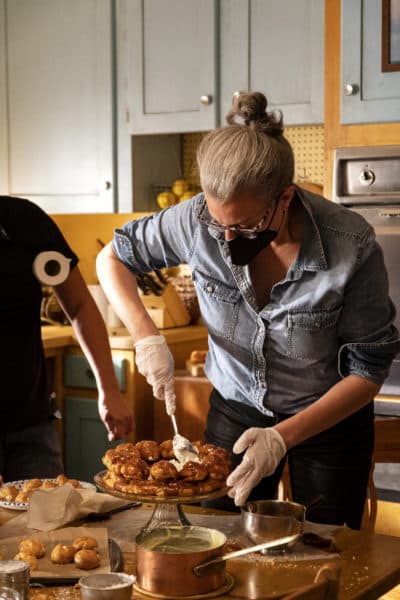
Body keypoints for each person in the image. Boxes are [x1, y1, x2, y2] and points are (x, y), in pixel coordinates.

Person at [96, 91, 400, 529]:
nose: (229, 239)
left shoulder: (348, 244)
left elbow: (368, 371)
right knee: (214, 538)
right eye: (219, 226)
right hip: (236, 409)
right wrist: (146, 336)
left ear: (285, 198)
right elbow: (112, 258)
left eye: (246, 225)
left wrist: (281, 437)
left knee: (327, 549)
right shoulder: (194, 219)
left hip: (329, 420)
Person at [0, 195, 134, 483]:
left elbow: (80, 307)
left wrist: (108, 389)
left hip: (32, 427)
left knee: (49, 525)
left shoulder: (23, 221)